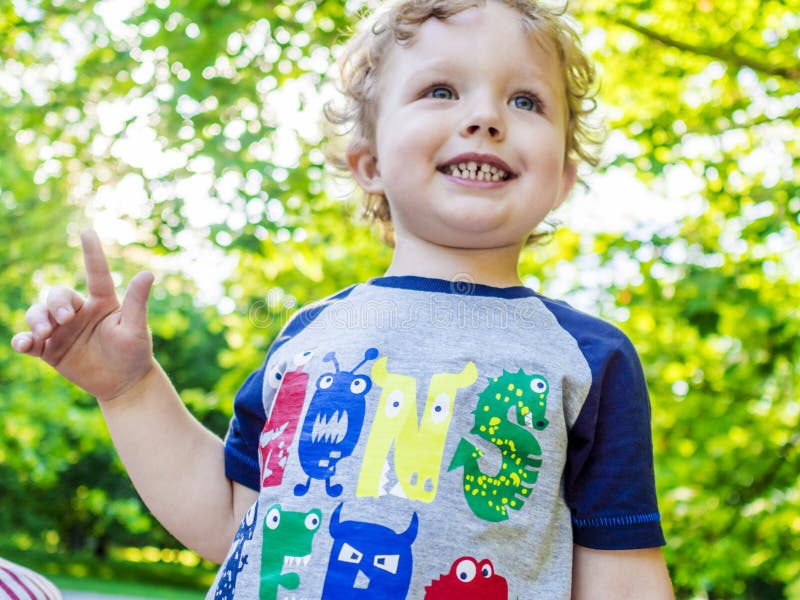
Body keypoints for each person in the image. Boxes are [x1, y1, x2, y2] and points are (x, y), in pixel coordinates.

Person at [11, 0, 675, 597]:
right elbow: (234, 526)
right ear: (371, 163)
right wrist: (128, 390)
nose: (484, 118)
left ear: (562, 176)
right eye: (441, 90)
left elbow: (623, 578)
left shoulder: (589, 362)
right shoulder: (310, 336)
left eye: (526, 101)